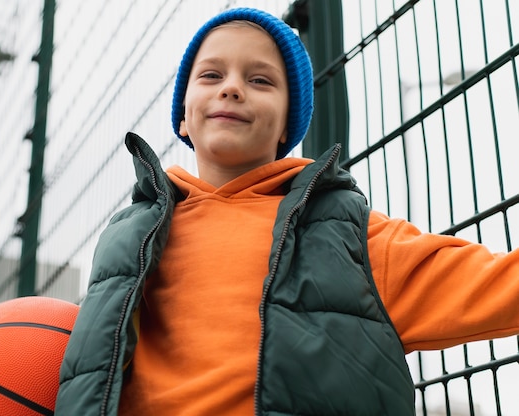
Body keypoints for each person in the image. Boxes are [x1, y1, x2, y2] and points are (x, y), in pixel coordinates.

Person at [55, 7, 519, 416]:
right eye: (211, 76)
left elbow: (497, 286)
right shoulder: (128, 240)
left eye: (260, 80)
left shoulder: (346, 236)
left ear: (286, 125)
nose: (232, 88)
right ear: (182, 116)